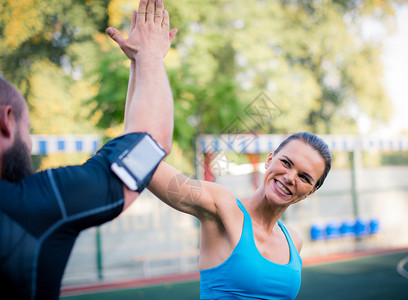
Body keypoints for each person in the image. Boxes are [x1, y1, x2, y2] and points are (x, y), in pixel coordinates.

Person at [0, 0, 177, 299]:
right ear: (6, 123)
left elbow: (133, 143)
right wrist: (150, 55)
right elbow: (148, 144)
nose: (29, 144)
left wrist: (139, 61)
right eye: (27, 129)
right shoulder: (28, 206)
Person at [144, 131, 331, 299]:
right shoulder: (223, 208)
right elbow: (170, 183)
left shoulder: (294, 240)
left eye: (304, 177)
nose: (290, 178)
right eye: (286, 163)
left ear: (310, 192)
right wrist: (131, 146)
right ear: (269, 160)